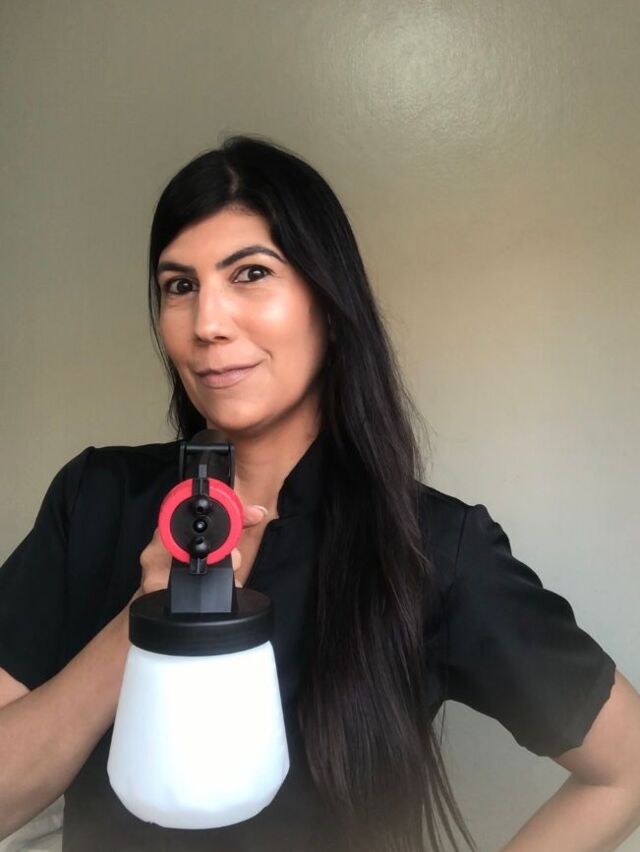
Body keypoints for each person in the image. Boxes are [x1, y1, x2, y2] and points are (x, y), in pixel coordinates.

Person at [0, 135, 639, 852]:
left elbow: (627, 767)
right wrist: (146, 620)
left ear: (328, 306)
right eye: (179, 286)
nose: (207, 324)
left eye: (250, 274)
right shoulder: (95, 500)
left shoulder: (430, 547)